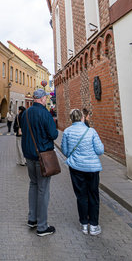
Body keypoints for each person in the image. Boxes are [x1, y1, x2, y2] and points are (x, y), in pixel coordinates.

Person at [20, 89, 58, 236]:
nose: (46, 100)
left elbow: (24, 131)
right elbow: (54, 134)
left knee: (33, 185)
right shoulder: (45, 113)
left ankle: (32, 219)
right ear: (42, 99)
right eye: (45, 98)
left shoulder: (26, 113)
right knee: (43, 189)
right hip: (43, 157)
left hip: (29, 156)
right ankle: (42, 226)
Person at [61, 108, 104, 236]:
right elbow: (100, 150)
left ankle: (84, 224)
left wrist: (74, 156)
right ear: (82, 118)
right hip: (92, 168)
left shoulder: (67, 131)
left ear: (71, 119)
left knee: (81, 195)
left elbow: (65, 150)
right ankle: (94, 225)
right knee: (93, 195)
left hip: (76, 168)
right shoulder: (91, 131)